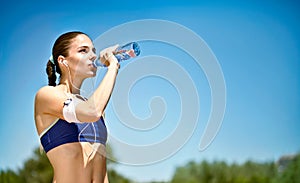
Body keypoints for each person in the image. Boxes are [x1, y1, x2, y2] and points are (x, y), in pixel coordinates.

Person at [34, 31, 120, 183]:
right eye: (83, 50)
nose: (93, 56)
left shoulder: (94, 107)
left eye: (93, 50)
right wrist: (112, 67)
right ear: (63, 61)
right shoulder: (46, 95)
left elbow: (101, 168)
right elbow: (92, 111)